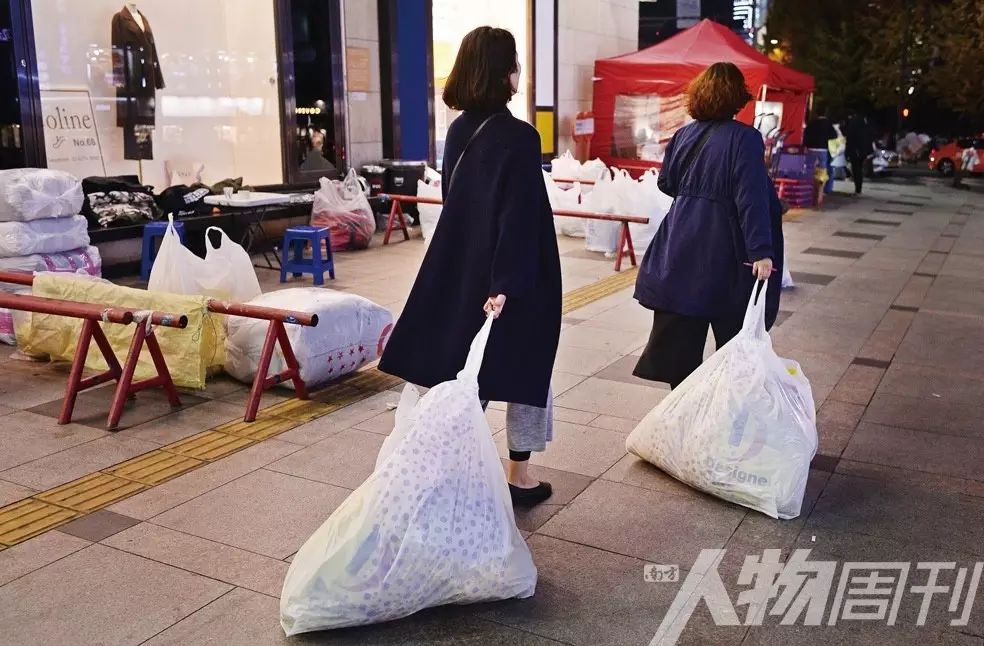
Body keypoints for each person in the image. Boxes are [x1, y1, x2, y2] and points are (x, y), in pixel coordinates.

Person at [378, 26, 561, 505]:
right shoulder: (521, 137)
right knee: (524, 369)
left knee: (467, 369)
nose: (518, 72)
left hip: (461, 267)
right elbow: (518, 216)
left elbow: (458, 203)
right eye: (515, 63)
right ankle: (518, 476)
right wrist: (507, 282)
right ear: (504, 73)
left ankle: (451, 467)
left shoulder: (459, 130)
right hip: (515, 275)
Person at [632, 62, 784, 389]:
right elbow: (751, 197)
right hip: (723, 252)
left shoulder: (684, 135)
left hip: (680, 245)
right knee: (734, 345)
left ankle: (682, 419)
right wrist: (761, 251)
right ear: (735, 98)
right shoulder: (745, 139)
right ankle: (720, 419)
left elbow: (666, 182)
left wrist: (696, 195)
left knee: (680, 353)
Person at [803, 110, 837, 194]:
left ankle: (808, 187)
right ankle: (822, 189)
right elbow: (834, 135)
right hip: (823, 149)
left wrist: (806, 145)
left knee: (810, 168)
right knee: (822, 169)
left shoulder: (811, 123)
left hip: (811, 148)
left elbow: (805, 135)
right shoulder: (828, 124)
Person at [844, 112, 873, 195]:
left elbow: (849, 138)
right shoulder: (864, 127)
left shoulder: (853, 126)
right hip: (862, 151)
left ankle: (858, 189)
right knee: (859, 169)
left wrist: (848, 152)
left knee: (856, 169)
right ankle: (858, 188)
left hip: (855, 151)